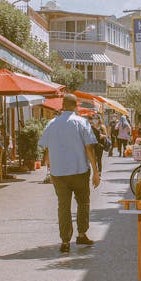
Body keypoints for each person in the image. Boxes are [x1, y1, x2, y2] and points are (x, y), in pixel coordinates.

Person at [39, 93, 100, 253]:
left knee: (63, 206)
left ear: (62, 105)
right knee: (83, 202)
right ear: (76, 106)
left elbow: (45, 147)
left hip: (58, 172)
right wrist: (96, 171)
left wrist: (49, 164)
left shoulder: (52, 123)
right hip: (79, 170)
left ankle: (65, 241)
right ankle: (81, 234)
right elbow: (89, 148)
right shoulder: (81, 122)